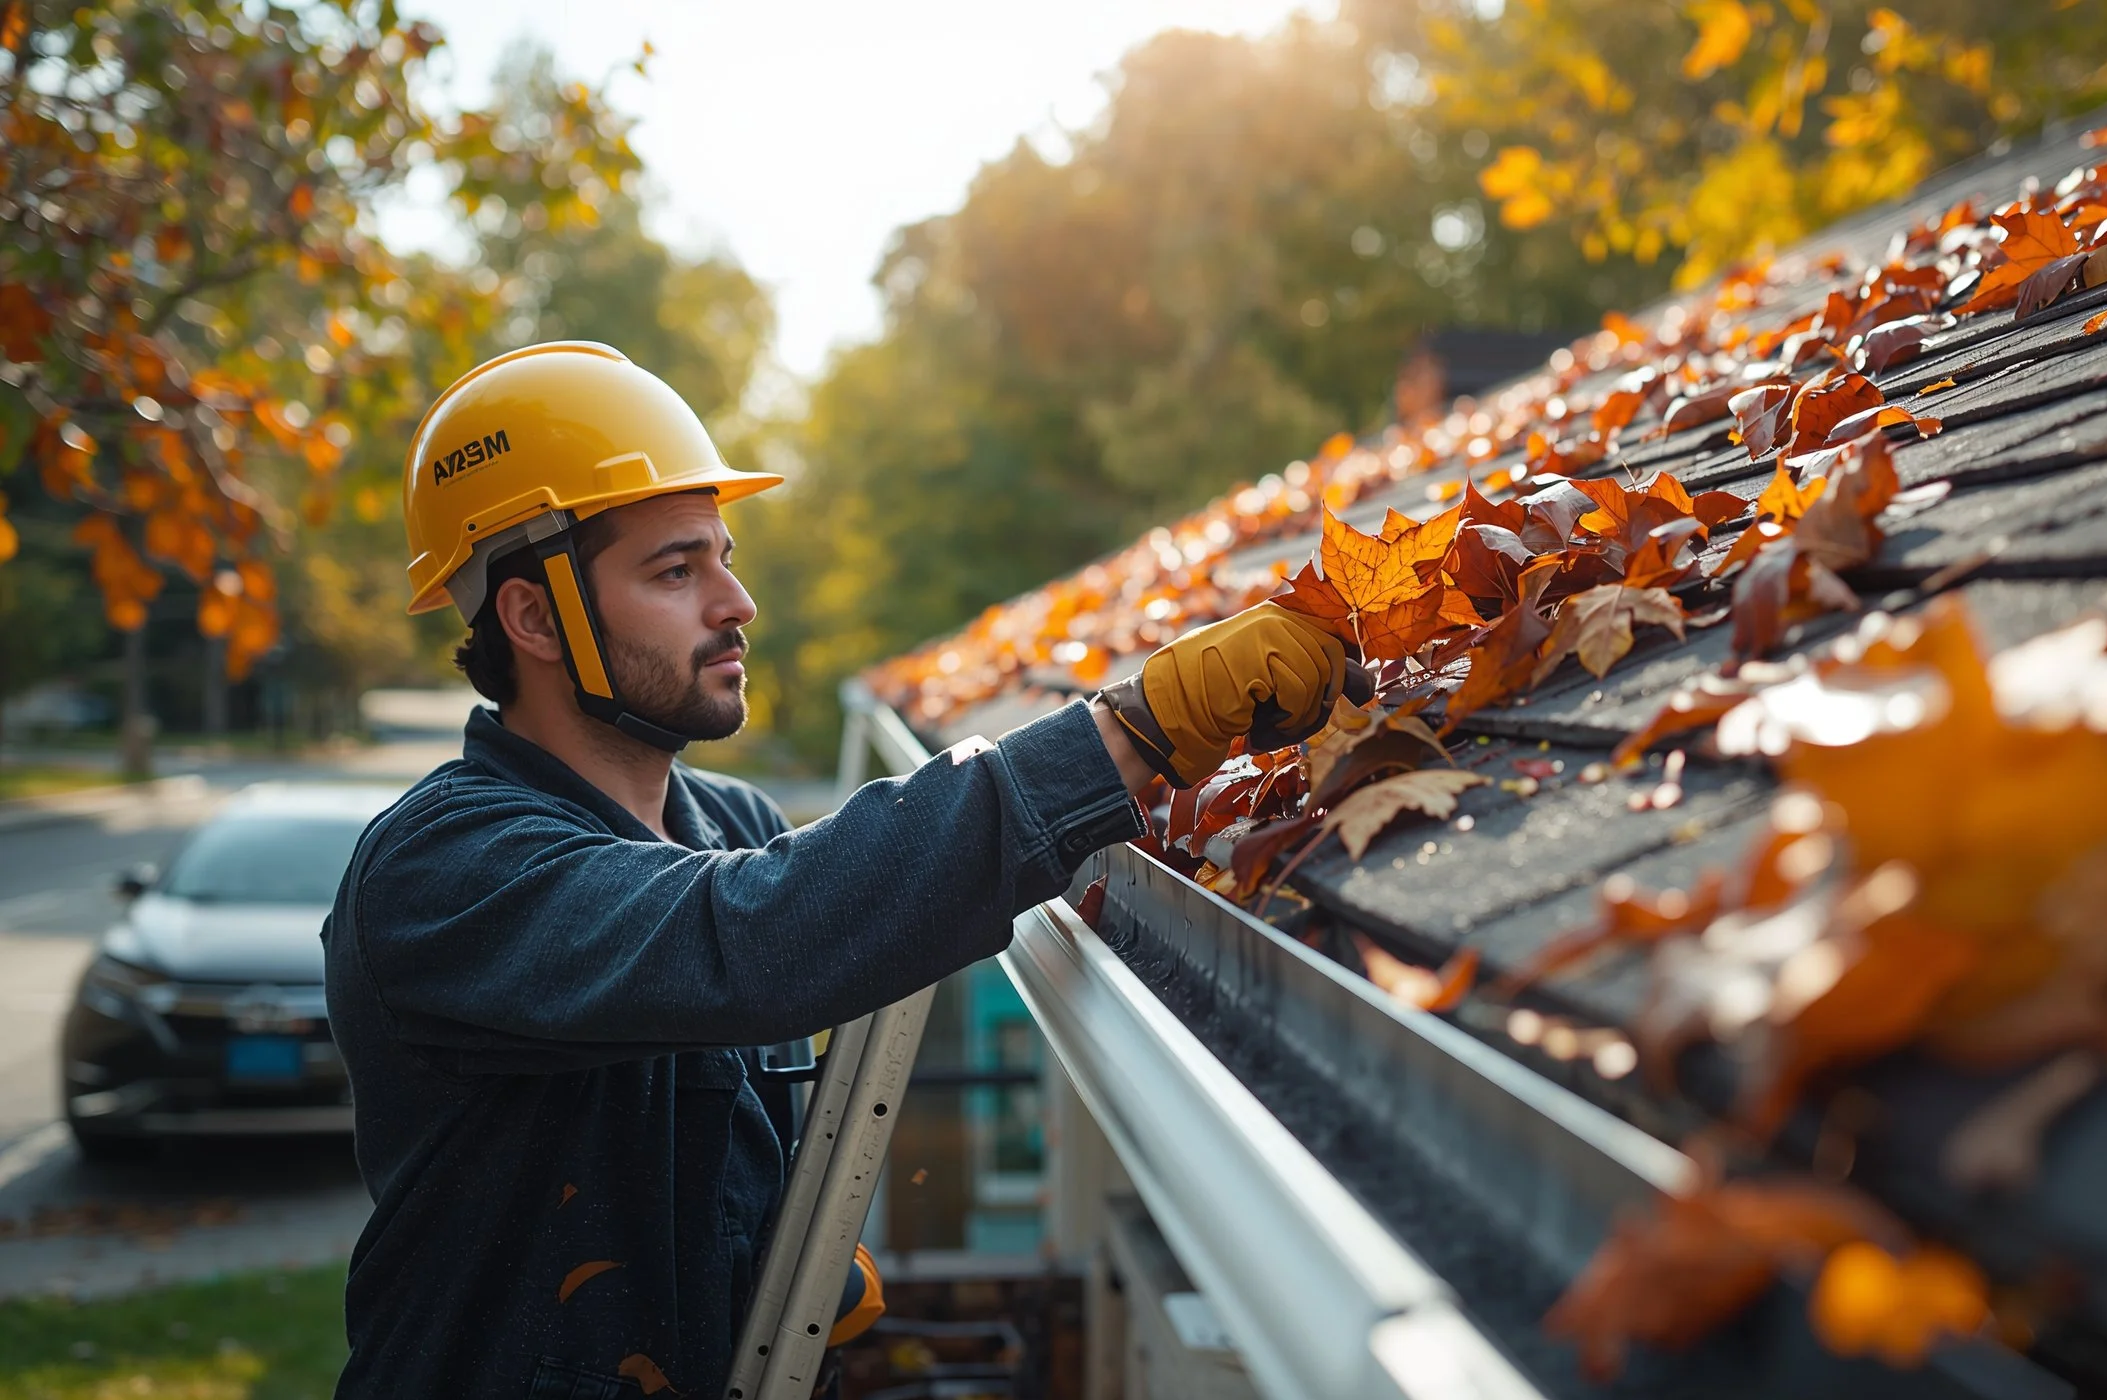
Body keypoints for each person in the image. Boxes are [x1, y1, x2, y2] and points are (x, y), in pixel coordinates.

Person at [323, 341, 1363, 1398]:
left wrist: (777, 1258)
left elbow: (802, 934)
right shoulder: (442, 870)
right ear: (536, 616)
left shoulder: (731, 823)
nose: (737, 602)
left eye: (723, 556)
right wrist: (1130, 732)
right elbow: (746, 940)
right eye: (675, 569)